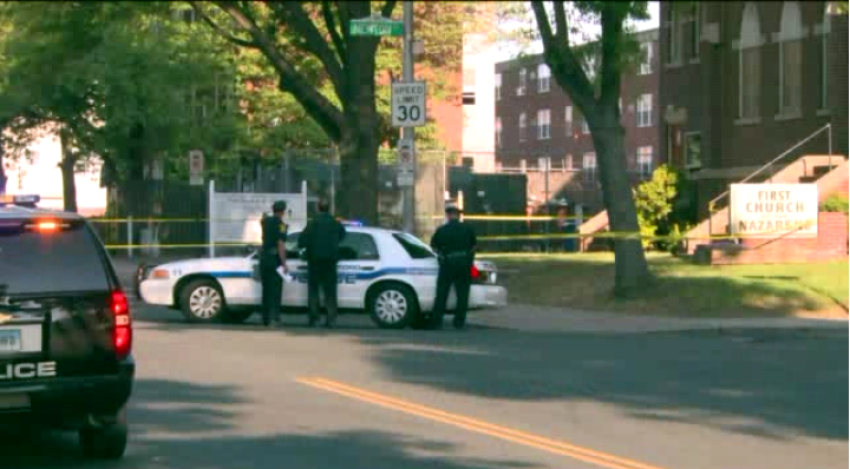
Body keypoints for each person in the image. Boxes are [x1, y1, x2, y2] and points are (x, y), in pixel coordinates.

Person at [298, 199, 346, 329]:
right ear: (328, 208)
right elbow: (343, 236)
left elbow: (301, 240)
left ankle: (314, 319)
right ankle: (331, 319)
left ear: (318, 208)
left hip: (314, 261)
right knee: (330, 291)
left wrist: (310, 245)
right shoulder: (335, 223)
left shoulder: (313, 223)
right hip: (331, 261)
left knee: (313, 290)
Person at [430, 204, 477, 330]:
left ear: (448, 215)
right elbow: (474, 247)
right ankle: (459, 322)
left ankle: (436, 321)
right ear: (458, 215)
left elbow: (434, 247)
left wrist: (442, 258)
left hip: (447, 264)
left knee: (441, 294)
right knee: (462, 295)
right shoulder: (468, 229)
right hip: (463, 264)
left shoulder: (442, 230)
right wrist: (469, 260)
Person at [259, 201, 289, 327]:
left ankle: (265, 318)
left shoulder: (265, 222)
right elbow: (281, 244)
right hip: (274, 259)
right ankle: (274, 318)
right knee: (276, 290)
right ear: (282, 212)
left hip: (264, 258)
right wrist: (284, 263)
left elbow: (262, 221)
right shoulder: (282, 225)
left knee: (266, 290)